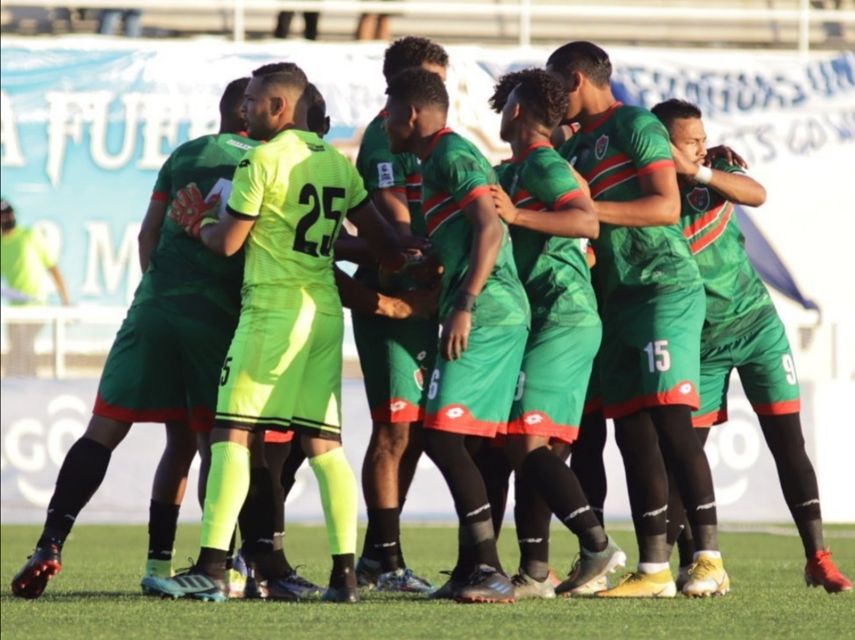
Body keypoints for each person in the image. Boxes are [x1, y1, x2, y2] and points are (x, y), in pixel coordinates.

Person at [143, 62, 409, 604]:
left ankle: (213, 569)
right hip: (324, 316)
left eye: (256, 102)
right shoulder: (338, 163)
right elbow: (382, 244)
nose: (246, 110)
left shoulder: (263, 160)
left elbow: (227, 244)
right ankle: (345, 577)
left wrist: (197, 222)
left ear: (280, 108)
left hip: (272, 313)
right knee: (325, 445)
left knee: (232, 435)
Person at [9, 78, 255, 600]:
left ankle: (54, 543)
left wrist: (156, 293)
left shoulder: (184, 155)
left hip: (154, 309)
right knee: (215, 444)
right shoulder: (266, 159)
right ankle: (220, 565)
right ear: (251, 113)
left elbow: (147, 233)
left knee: (107, 430)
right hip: (217, 317)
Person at [547, 41, 727, 598]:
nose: (554, 100)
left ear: (576, 79)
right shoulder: (577, 151)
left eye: (556, 86)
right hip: (617, 298)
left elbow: (665, 206)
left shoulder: (634, 124)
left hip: (662, 287)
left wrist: (586, 212)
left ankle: (709, 558)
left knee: (673, 422)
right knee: (633, 434)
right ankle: (652, 570)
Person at [651, 98, 852, 594]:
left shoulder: (715, 167)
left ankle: (818, 559)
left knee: (789, 444)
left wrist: (699, 170)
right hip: (698, 340)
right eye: (689, 140)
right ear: (661, 143)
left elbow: (756, 194)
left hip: (757, 326)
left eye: (702, 137)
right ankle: (692, 564)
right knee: (684, 453)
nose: (700, 146)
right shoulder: (647, 193)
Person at [385, 67, 531, 603]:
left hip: (488, 311)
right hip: (477, 307)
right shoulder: (432, 165)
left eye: (390, 110)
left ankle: (491, 569)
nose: (385, 121)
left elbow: (492, 226)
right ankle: (472, 567)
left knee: (444, 438)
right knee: (463, 440)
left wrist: (466, 302)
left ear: (411, 115)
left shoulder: (451, 154)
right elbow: (463, 234)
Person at [487, 68, 626, 600]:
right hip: (540, 319)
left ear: (517, 110)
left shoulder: (543, 165)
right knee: (524, 445)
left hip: (564, 317)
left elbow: (586, 221)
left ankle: (596, 544)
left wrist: (519, 217)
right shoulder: (516, 169)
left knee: (526, 439)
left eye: (504, 107)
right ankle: (534, 572)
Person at [350, 35, 448, 594]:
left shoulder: (440, 142)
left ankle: (377, 556)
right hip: (394, 297)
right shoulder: (386, 140)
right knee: (393, 430)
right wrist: (442, 247)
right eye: (429, 81)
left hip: (429, 299)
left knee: (410, 432)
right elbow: (392, 225)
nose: (439, 93)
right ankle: (381, 562)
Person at [1, 199, 71, 376]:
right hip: (15, 310)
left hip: (37, 305)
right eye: (4, 214)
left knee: (23, 348)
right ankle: (16, 389)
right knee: (16, 351)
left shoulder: (29, 236)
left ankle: (29, 386)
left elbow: (53, 267)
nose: (8, 217)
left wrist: (66, 300)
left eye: (9, 213)